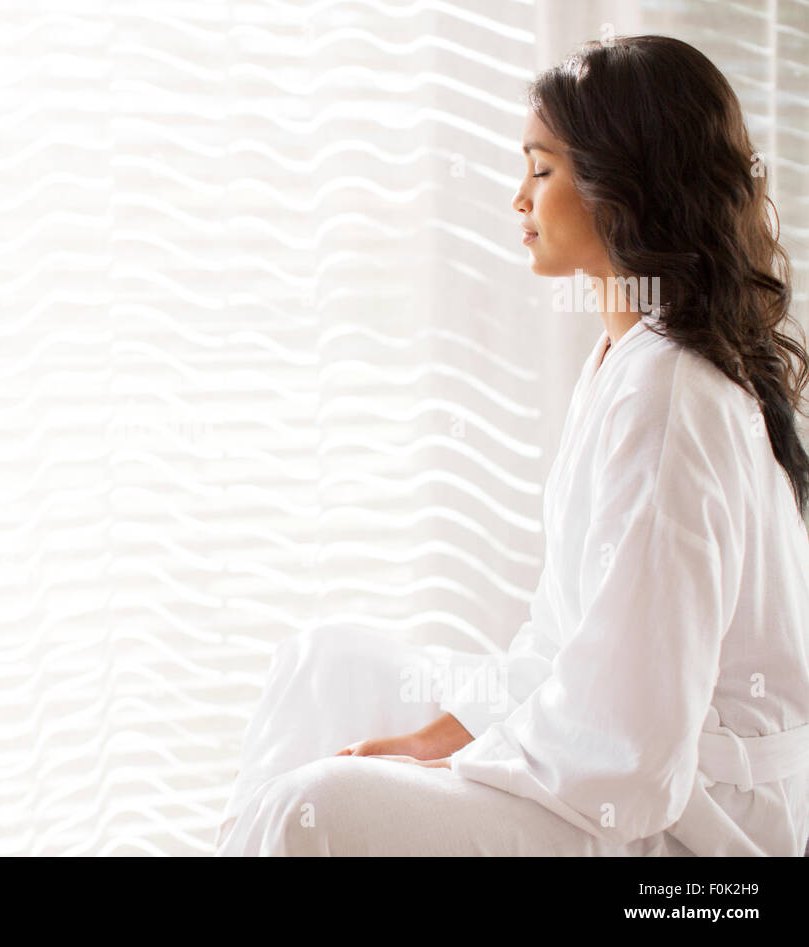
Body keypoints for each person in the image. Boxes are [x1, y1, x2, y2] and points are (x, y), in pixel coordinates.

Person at [216, 35, 809, 857]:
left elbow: (630, 745)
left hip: (696, 832)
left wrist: (463, 759)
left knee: (310, 808)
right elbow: (564, 643)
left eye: (540, 168)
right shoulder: (625, 364)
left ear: (620, 186)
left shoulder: (669, 396)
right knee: (322, 664)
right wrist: (443, 735)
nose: (518, 199)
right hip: (624, 755)